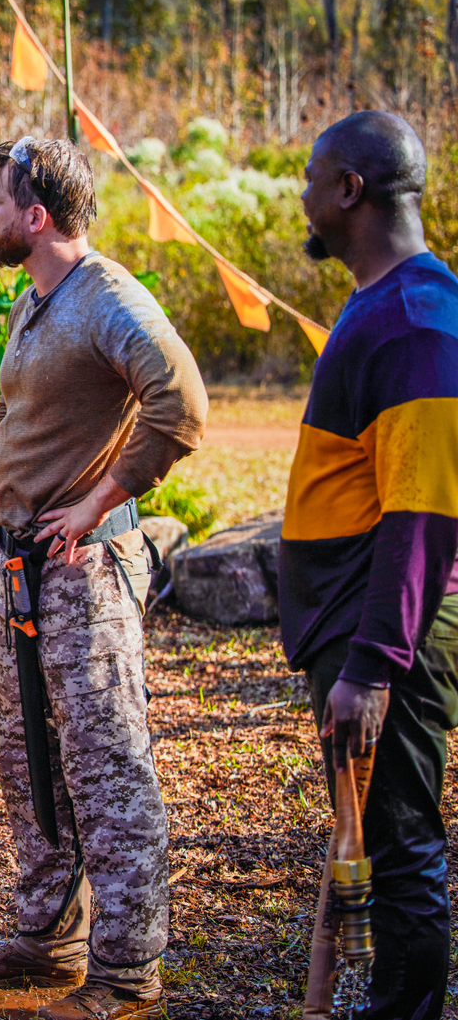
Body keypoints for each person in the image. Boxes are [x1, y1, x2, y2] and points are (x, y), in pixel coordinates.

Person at [0, 137, 207, 1019]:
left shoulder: (107, 296)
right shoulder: (37, 297)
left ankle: (127, 972)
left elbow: (182, 400)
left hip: (81, 570)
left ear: (37, 216)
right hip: (21, 568)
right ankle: (48, 938)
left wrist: (98, 501)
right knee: (32, 762)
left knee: (107, 765)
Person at [283, 111, 458, 1019]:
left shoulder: (418, 320)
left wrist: (371, 664)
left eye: (313, 176)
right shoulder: (378, 305)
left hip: (387, 637)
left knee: (401, 845)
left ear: (350, 189)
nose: (303, 194)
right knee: (383, 840)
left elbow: (424, 510)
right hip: (354, 628)